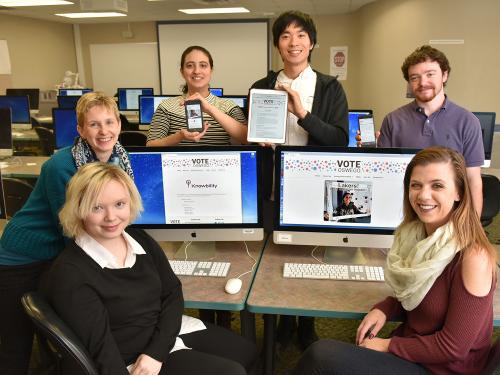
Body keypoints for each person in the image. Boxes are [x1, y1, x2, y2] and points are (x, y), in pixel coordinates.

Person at [292, 146, 496, 375]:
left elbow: (453, 347)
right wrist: (385, 309)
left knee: (320, 355)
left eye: (437, 185)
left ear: (459, 192)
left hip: (443, 369)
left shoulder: (472, 257)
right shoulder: (417, 237)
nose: (424, 195)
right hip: (417, 351)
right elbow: (419, 295)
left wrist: (387, 345)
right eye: (416, 185)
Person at [43, 162, 258, 374]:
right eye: (97, 207)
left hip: (161, 336)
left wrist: (157, 350)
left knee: (247, 352)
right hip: (131, 358)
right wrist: (154, 358)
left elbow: (172, 292)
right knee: (231, 372)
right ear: (79, 209)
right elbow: (101, 349)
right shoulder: (71, 272)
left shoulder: (138, 238)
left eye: (119, 204)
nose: (111, 217)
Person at [0, 92, 132, 374]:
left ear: (119, 124)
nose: (104, 131)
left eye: (110, 122)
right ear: (80, 129)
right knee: (16, 341)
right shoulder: (61, 166)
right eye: (94, 124)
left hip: (57, 254)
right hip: (22, 258)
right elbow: (74, 231)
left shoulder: (120, 158)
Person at [250, 10, 349, 351]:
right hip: (272, 190)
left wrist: (302, 115)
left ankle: (306, 326)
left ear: (312, 43)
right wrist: (258, 138)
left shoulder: (329, 87)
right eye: (286, 36)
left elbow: (338, 140)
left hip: (312, 192)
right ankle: (279, 326)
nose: (294, 42)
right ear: (277, 44)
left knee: (308, 260)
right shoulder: (260, 87)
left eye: (301, 35)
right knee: (273, 259)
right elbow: (254, 139)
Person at [361, 45, 484, 216]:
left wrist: (473, 228)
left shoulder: (468, 121)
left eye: (430, 74)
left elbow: (472, 180)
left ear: (445, 75)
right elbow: (385, 178)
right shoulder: (393, 120)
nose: (422, 83)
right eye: (414, 77)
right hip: (405, 215)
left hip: (452, 218)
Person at [147, 45, 247, 146]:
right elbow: (150, 145)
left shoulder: (229, 106)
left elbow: (248, 139)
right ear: (182, 71)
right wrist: (179, 136)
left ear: (211, 70)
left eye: (203, 65)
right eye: (190, 65)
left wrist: (209, 109)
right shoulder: (166, 106)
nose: (196, 71)